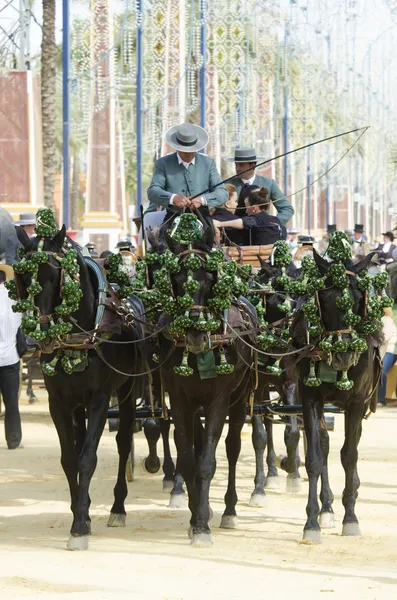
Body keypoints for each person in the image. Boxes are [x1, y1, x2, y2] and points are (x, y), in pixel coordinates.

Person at [147, 123, 228, 224]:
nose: (188, 153)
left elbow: (223, 193)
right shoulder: (163, 163)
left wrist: (202, 200)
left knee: (211, 237)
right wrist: (173, 198)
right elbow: (153, 191)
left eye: (192, 150)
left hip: (203, 219)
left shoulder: (208, 163)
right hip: (173, 218)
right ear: (177, 147)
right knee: (163, 237)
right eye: (184, 150)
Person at [224, 147, 294, 225]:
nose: (237, 168)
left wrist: (273, 223)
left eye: (241, 165)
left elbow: (287, 209)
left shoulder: (269, 183)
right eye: (236, 165)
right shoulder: (228, 185)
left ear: (252, 166)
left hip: (262, 232)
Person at [212, 187, 286, 246]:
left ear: (254, 208)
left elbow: (245, 222)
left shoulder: (256, 219)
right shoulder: (276, 220)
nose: (246, 211)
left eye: (247, 207)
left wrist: (220, 224)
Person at [0, 265, 23, 449]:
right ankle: (13, 440)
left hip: (9, 357)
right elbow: (20, 326)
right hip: (10, 358)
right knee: (11, 402)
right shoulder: (12, 299)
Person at [378, 307, 397, 407]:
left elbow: (385, 338)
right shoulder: (381, 320)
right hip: (386, 350)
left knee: (382, 371)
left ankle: (380, 400)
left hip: (391, 351)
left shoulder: (387, 321)